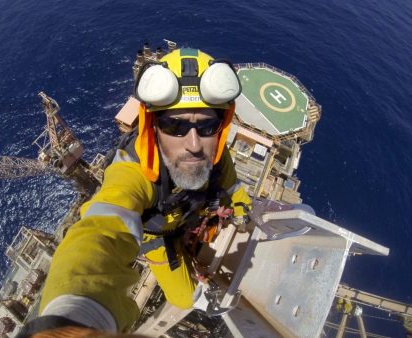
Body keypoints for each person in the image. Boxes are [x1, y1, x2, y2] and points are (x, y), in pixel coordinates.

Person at [19, 48, 251, 336]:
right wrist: (70, 319)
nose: (194, 143)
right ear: (153, 126)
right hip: (159, 241)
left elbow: (230, 184)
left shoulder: (214, 151)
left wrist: (241, 208)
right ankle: (202, 295)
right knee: (184, 298)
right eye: (175, 125)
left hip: (188, 220)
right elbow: (101, 228)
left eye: (207, 125)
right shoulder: (132, 172)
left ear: (222, 126)